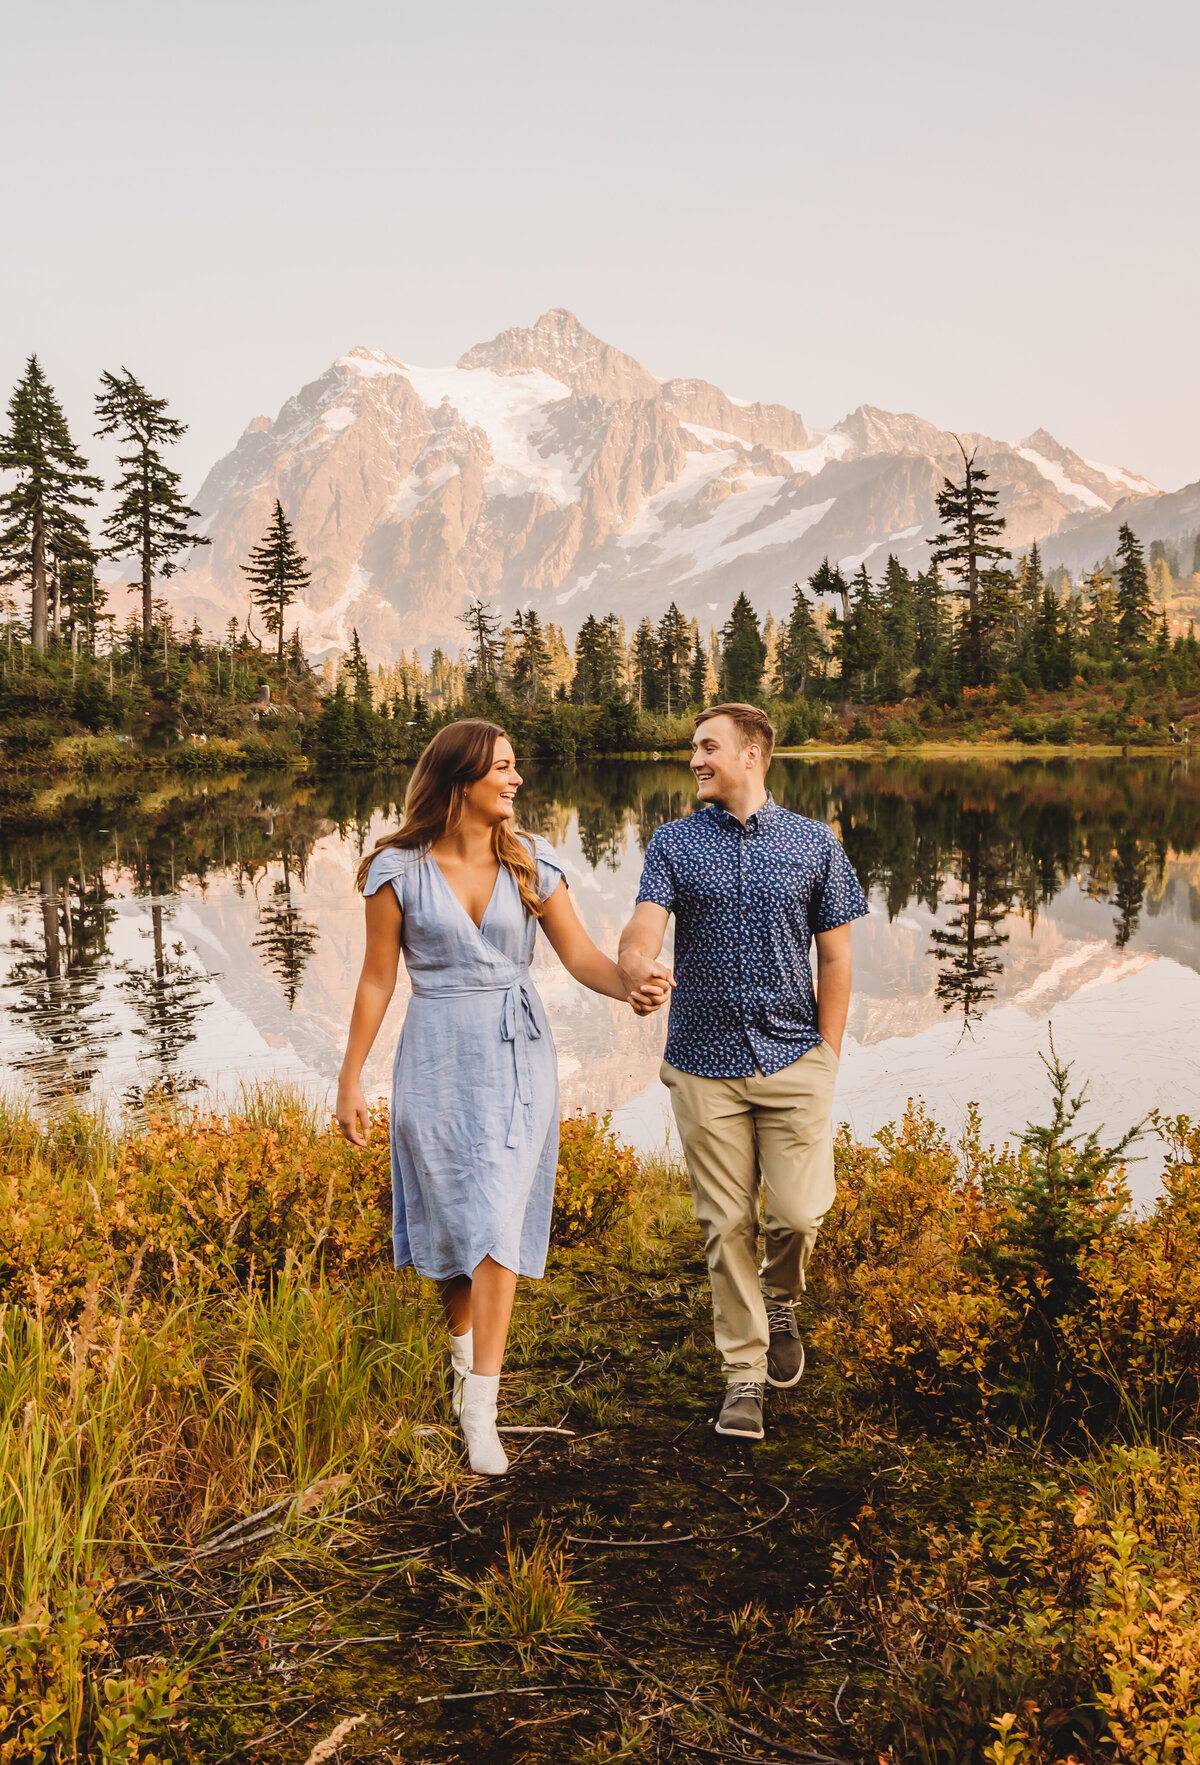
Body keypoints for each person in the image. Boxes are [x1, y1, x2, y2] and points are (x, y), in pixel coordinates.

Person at [335, 719, 666, 1476]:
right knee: (453, 1228)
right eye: (504, 769)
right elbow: (378, 979)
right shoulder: (396, 870)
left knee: (495, 1219)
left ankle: (482, 1408)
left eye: (517, 767)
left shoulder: (532, 861)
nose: (517, 781)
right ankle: (464, 1369)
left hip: (517, 1054)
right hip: (435, 1057)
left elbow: (582, 956)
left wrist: (633, 987)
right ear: (462, 779)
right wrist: (352, 1076)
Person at [617, 702, 869, 1441]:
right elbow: (642, 924)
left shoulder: (815, 844)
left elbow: (839, 956)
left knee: (797, 1213)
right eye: (694, 747)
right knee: (725, 1224)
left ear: (752, 755)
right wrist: (636, 966)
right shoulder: (673, 844)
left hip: (795, 1055)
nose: (695, 759)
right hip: (702, 1063)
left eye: (708, 747)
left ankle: (781, 1297)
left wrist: (828, 1053)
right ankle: (744, 1378)